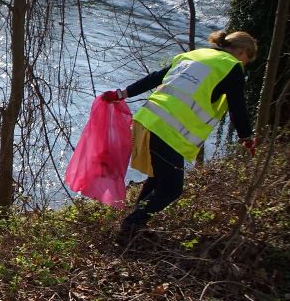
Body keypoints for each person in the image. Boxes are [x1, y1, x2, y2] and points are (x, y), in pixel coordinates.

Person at [102, 30, 258, 244]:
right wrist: (246, 136)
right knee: (172, 188)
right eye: (246, 60)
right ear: (242, 52)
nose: (244, 64)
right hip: (170, 129)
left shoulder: (196, 55)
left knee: (158, 179)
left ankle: (134, 226)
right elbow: (237, 107)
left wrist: (122, 93)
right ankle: (131, 224)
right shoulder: (232, 67)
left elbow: (157, 76)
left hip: (147, 119)